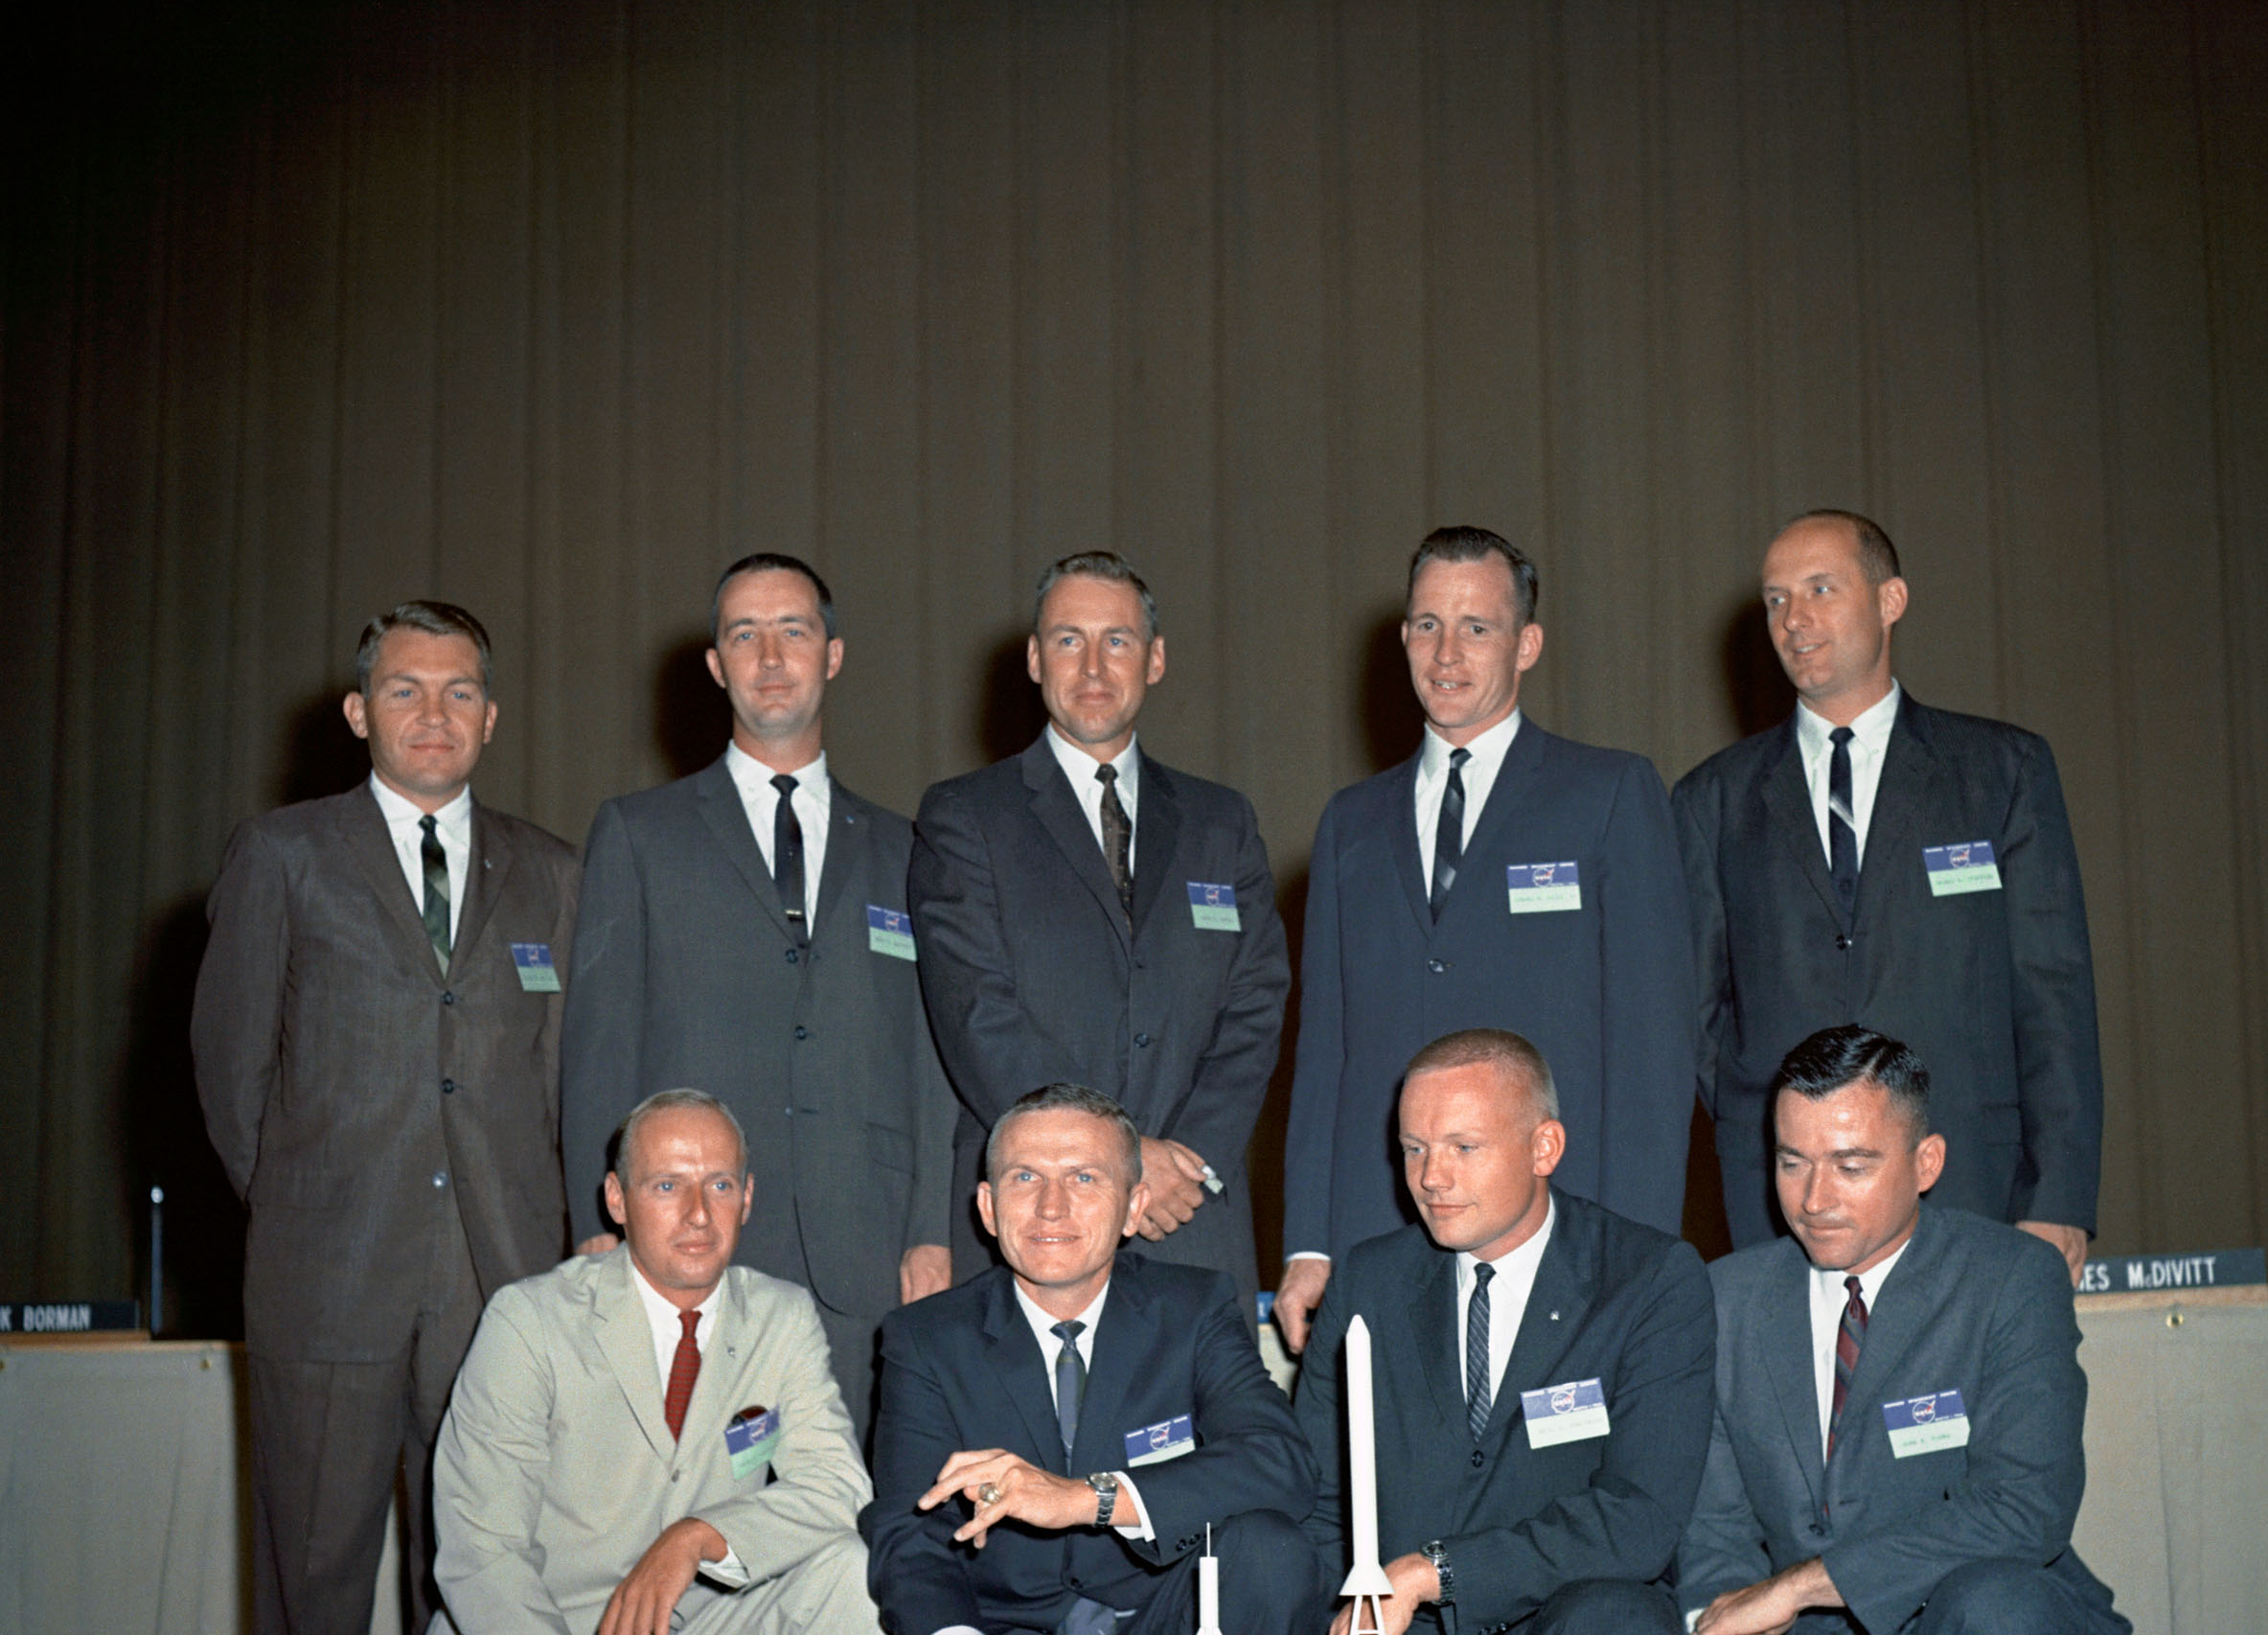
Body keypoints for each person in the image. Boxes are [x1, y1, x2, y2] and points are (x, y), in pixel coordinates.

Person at [192, 599, 578, 1635]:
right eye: (405, 690)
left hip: (497, 1292)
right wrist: (313, 1212)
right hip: (329, 1279)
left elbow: (560, 1086)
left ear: (493, 715)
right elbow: (231, 1076)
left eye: (460, 691)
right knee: (312, 1587)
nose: (434, 714)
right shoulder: (283, 856)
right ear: (359, 713)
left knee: (475, 1588)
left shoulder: (551, 872)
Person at [1663, 1025, 2129, 1635]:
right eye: (1792, 1162)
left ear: (1927, 1162)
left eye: (1851, 1165)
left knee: (2004, 1615)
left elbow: (2025, 1508)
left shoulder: (2011, 1278)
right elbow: (1712, 1516)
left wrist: (1796, 1587)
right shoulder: (1724, 1299)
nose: (1813, 1200)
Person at [412, 1090, 892, 1635]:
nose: (698, 1213)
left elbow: (838, 1487)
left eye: (720, 1184)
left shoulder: (779, 1316)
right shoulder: (529, 1321)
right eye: (667, 1185)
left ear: (749, 1196)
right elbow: (478, 1552)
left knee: (850, 1571)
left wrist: (698, 1536)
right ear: (616, 1199)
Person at [857, 1083, 1320, 1635]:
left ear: (1136, 1204)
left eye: (1085, 1178)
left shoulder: (1194, 1308)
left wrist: (1089, 1499)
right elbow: (908, 1534)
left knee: (1270, 1548)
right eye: (1025, 1178)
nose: (1052, 1206)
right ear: (987, 1207)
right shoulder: (926, 1339)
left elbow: (1280, 1464)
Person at [1291, 1030, 1712, 1635]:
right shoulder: (1370, 1282)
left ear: (1544, 1147)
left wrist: (1435, 1572)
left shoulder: (1649, 1279)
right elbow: (1319, 1507)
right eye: (1413, 1148)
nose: (1431, 1178)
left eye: (1463, 1147)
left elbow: (1639, 1517)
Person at [560, 552, 957, 1435]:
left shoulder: (906, 848)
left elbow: (933, 1061)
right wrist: (598, 1223)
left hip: (866, 1253)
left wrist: (931, 1229)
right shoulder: (638, 834)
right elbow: (599, 1046)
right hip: (692, 1245)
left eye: (793, 631)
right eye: (745, 635)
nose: (771, 657)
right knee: (701, 1496)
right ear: (716, 665)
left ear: (833, 655)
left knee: (853, 1498)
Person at [1275, 527, 1696, 1352]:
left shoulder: (1610, 794)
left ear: (1526, 644)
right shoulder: (1349, 823)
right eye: (1428, 625)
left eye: (1477, 627)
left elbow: (1652, 1051)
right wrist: (1309, 1243)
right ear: (1404, 638)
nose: (1447, 653)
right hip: (1380, 1233)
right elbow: (1324, 1050)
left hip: (1560, 1232)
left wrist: (1634, 1254)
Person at [1673, 511, 2102, 1279]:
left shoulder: (2003, 772)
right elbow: (1698, 1012)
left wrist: (2059, 1195)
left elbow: (2053, 995)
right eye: (1776, 600)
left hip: (1974, 1185)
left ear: (1890, 600)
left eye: (1820, 590)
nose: (1793, 619)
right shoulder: (1712, 799)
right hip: (1781, 1208)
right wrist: (1753, 1122)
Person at [910, 553, 1290, 1318]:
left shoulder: (1222, 822)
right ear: (1033, 659)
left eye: (1116, 641)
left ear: (1155, 660)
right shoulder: (966, 817)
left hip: (1189, 1214)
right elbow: (978, 1016)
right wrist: (1117, 1159)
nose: (1092, 666)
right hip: (1034, 1225)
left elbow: (1255, 1005)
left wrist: (1186, 1162)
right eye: (1068, 640)